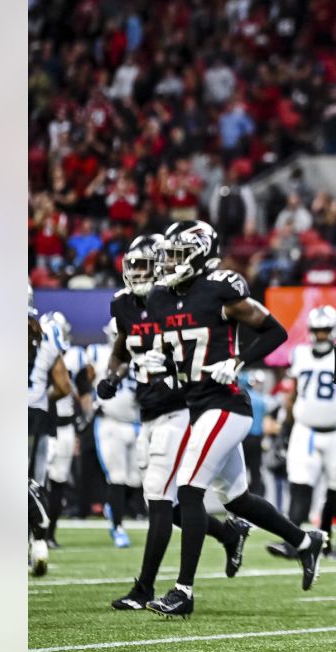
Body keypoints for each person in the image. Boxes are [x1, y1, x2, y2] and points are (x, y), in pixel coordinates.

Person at [142, 221, 323, 617]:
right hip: (197, 404)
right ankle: (307, 542)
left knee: (188, 489)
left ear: (200, 253)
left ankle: (183, 591)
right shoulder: (159, 298)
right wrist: (159, 361)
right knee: (237, 499)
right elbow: (177, 350)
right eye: (167, 254)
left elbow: (275, 332)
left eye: (177, 253)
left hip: (227, 404)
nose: (169, 262)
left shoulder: (219, 289)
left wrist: (238, 360)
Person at [98, 234, 250, 611]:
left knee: (160, 495)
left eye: (145, 265)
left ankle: (146, 587)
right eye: (132, 266)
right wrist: (113, 376)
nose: (139, 273)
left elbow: (191, 347)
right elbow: (122, 346)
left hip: (179, 409)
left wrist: (171, 370)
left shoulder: (169, 300)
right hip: (147, 411)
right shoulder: (123, 305)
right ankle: (228, 533)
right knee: (167, 502)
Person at [267, 306, 336, 561]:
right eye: (317, 330)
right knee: (299, 485)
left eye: (324, 331)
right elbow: (293, 394)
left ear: (334, 331)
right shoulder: (300, 354)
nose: (320, 335)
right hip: (306, 430)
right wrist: (285, 430)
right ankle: (292, 540)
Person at [36, 311, 91, 548]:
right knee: (43, 482)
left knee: (51, 482)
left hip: (57, 424)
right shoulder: (51, 356)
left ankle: (46, 534)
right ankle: (44, 535)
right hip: (52, 424)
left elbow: (84, 386)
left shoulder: (71, 358)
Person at [28, 287, 73, 575]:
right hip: (39, 416)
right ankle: (37, 544)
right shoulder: (44, 336)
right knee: (34, 482)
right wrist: (41, 397)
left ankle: (40, 527)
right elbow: (64, 387)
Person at [87, 319, 142, 548]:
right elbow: (88, 382)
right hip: (110, 422)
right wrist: (90, 404)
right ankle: (118, 528)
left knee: (135, 480)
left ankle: (113, 506)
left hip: (136, 422)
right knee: (117, 476)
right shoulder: (97, 354)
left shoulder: (142, 354)